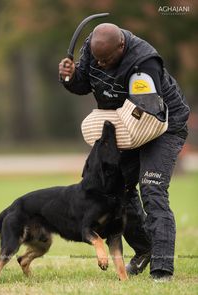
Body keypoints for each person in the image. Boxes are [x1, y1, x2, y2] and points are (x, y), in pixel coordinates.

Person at [59, 23, 190, 281]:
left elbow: (147, 111)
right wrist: (70, 76)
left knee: (152, 189)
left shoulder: (145, 62)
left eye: (107, 59)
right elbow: (82, 84)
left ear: (121, 46)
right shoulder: (94, 51)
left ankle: (162, 271)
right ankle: (144, 250)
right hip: (125, 124)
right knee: (116, 190)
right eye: (98, 59)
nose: (102, 64)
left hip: (162, 125)